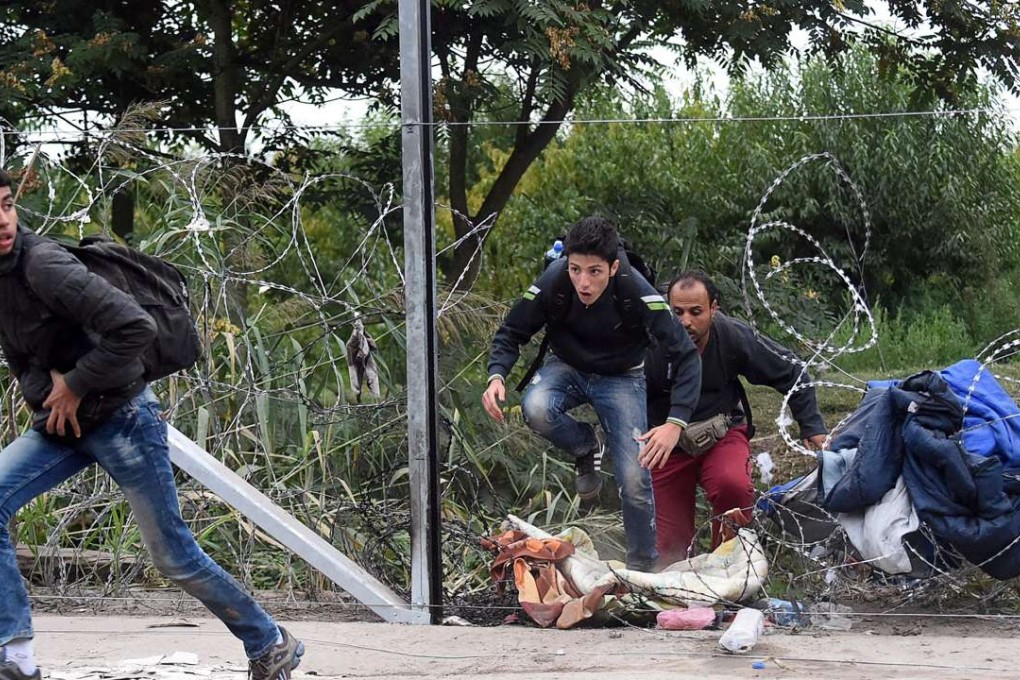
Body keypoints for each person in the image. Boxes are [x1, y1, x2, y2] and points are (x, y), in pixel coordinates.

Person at [0, 170, 303, 680]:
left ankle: (270, 641)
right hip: (62, 424)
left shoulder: (44, 264)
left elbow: (133, 328)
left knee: (172, 556)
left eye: (6, 205)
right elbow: (21, 358)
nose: (2, 220)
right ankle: (16, 656)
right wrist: (52, 389)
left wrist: (74, 383)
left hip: (123, 418)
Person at [482, 216, 701, 571]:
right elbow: (512, 331)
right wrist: (496, 376)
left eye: (595, 272)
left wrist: (676, 422)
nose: (583, 282)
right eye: (576, 269)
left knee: (634, 475)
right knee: (535, 406)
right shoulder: (554, 280)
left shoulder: (637, 290)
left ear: (613, 267)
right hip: (567, 367)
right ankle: (586, 445)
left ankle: (642, 567)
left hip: (622, 377)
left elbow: (686, 355)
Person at [640, 270, 827, 566]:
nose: (685, 321)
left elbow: (791, 369)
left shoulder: (731, 336)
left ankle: (728, 564)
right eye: (677, 312)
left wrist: (812, 425)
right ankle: (684, 586)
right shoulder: (652, 345)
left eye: (696, 312)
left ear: (714, 308)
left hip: (721, 433)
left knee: (733, 486)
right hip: (667, 447)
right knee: (668, 552)